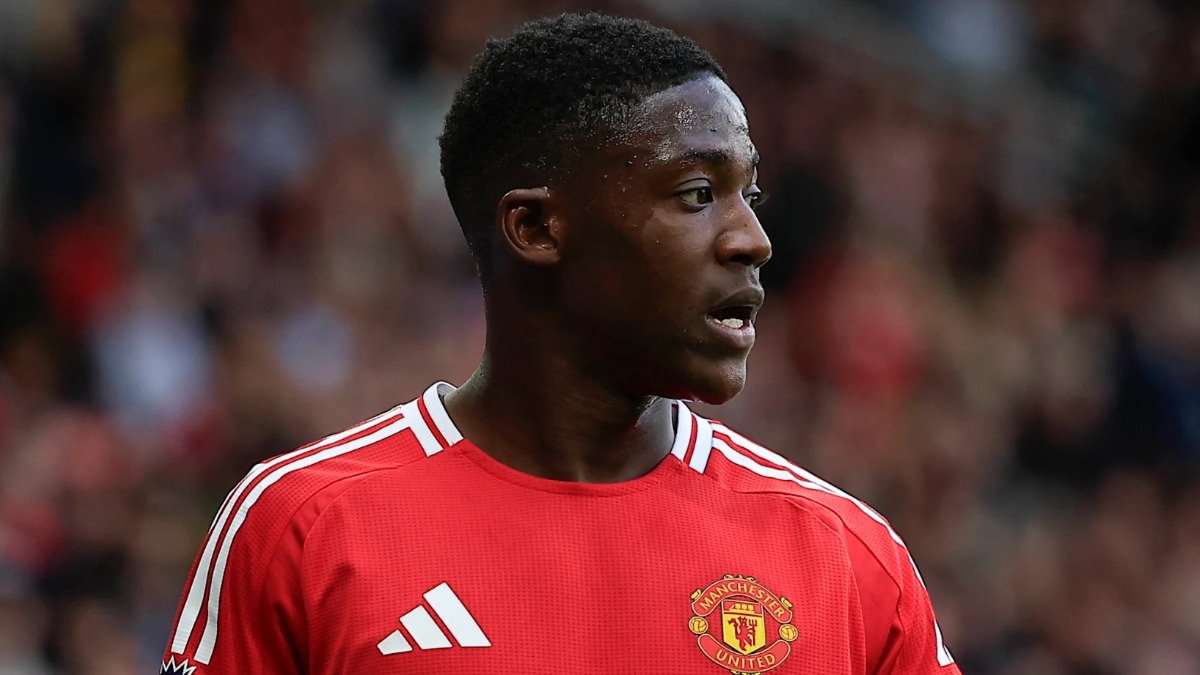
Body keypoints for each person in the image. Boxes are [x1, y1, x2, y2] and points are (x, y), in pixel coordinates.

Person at [161, 13, 960, 674]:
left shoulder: (847, 562)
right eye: (696, 194)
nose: (752, 238)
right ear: (537, 227)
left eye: (747, 193)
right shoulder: (301, 527)